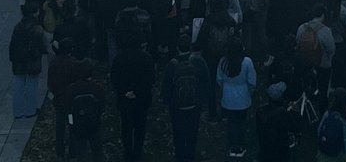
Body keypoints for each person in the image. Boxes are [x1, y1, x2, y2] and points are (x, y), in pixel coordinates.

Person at [162, 32, 212, 162]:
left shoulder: (172, 65)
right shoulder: (198, 61)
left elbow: (166, 87)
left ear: (177, 47)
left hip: (176, 106)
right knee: (192, 133)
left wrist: (167, 102)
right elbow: (206, 81)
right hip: (194, 105)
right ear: (190, 46)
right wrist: (203, 102)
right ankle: (190, 156)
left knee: (178, 133)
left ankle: (180, 156)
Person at [110, 27, 156, 161]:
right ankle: (138, 153)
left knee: (126, 127)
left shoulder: (119, 58)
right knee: (140, 127)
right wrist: (138, 92)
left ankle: (127, 153)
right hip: (142, 99)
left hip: (125, 99)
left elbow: (114, 78)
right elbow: (150, 78)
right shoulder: (146, 58)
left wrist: (125, 91)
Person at [216, 39, 258, 159]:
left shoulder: (223, 62)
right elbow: (252, 81)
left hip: (228, 99)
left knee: (231, 122)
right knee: (241, 123)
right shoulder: (247, 62)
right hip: (243, 98)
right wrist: (250, 92)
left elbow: (219, 79)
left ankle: (232, 145)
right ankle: (240, 145)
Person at [9, 2, 48, 119]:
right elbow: (43, 46)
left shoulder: (18, 27)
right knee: (32, 85)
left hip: (19, 61)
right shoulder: (37, 29)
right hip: (32, 61)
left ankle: (17, 111)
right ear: (35, 13)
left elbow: (12, 44)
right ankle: (30, 110)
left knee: (18, 85)